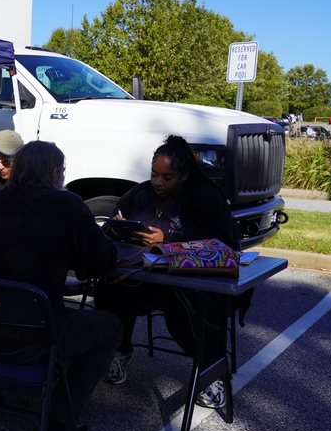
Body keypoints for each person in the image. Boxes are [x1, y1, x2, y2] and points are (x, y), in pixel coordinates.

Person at [0, 140, 121, 431]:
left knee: (1, 301)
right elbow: (99, 263)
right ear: (54, 172)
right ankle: (59, 423)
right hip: (32, 342)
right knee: (111, 327)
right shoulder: (67, 204)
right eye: (62, 171)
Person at [93, 134, 237, 409]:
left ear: (183, 175)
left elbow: (223, 241)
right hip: (145, 274)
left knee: (184, 313)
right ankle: (120, 350)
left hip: (191, 280)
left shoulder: (205, 195)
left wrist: (169, 239)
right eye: (154, 174)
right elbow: (116, 216)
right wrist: (115, 225)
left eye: (166, 177)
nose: (157, 182)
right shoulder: (141, 193)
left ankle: (212, 370)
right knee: (108, 288)